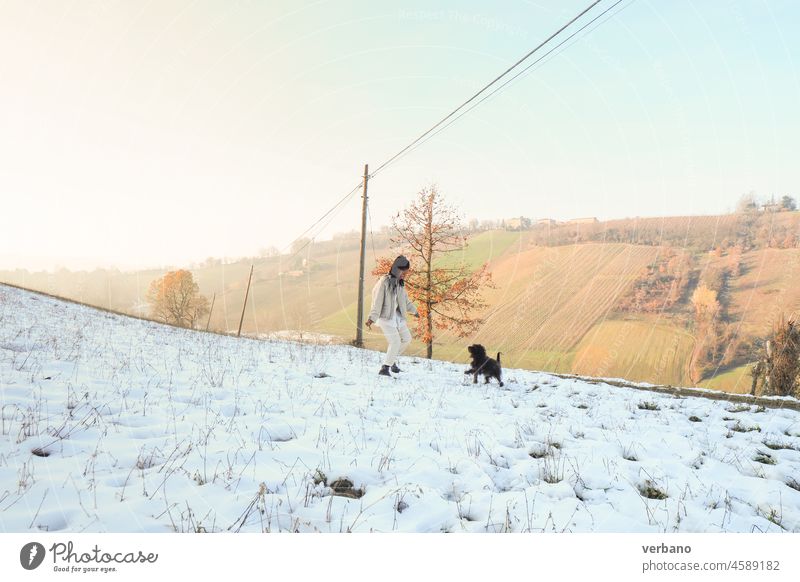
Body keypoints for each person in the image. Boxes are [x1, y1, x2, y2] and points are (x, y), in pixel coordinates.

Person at [365, 255, 420, 377]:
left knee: (406, 338)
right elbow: (377, 301)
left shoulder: (400, 284)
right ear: (397, 269)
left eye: (405, 273)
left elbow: (405, 301)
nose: (404, 275)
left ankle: (392, 359)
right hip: (386, 317)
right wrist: (372, 318)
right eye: (403, 272)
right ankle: (385, 368)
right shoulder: (384, 282)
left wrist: (415, 311)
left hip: (397, 317)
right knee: (395, 342)